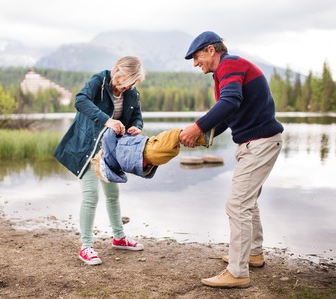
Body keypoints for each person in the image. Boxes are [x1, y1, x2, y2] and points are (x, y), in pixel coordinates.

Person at [180, 31, 284, 288]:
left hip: (260, 144)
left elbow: (230, 102)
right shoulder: (225, 70)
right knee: (248, 201)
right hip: (257, 143)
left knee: (237, 204)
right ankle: (253, 254)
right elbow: (229, 114)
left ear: (211, 50)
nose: (195, 64)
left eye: (196, 57)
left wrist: (196, 126)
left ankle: (237, 272)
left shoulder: (231, 65)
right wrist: (204, 134)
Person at [54, 56, 146, 265]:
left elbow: (137, 117)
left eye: (131, 84)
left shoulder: (131, 93)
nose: (127, 87)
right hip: (86, 148)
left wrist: (136, 126)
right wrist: (107, 120)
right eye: (125, 82)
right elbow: (80, 100)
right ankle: (86, 247)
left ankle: (119, 238)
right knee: (90, 197)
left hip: (109, 151)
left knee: (113, 195)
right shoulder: (100, 81)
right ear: (117, 71)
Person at [92, 127, 214, 183]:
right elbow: (108, 134)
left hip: (155, 160)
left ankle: (202, 139)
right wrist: (116, 127)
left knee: (180, 141)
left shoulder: (119, 163)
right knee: (174, 134)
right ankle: (204, 136)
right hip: (150, 150)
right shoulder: (110, 152)